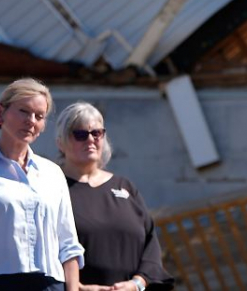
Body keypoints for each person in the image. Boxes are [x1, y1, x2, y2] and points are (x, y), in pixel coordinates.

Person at [0, 78, 84, 291]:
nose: (31, 121)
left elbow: (68, 245)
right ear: (0, 114)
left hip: (50, 285)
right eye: (24, 111)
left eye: (39, 116)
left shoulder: (53, 173)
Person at [56, 102, 174, 291]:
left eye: (97, 133)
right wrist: (74, 287)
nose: (90, 140)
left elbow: (151, 245)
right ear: (60, 143)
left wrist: (137, 283)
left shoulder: (125, 187)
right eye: (80, 134)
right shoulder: (52, 188)